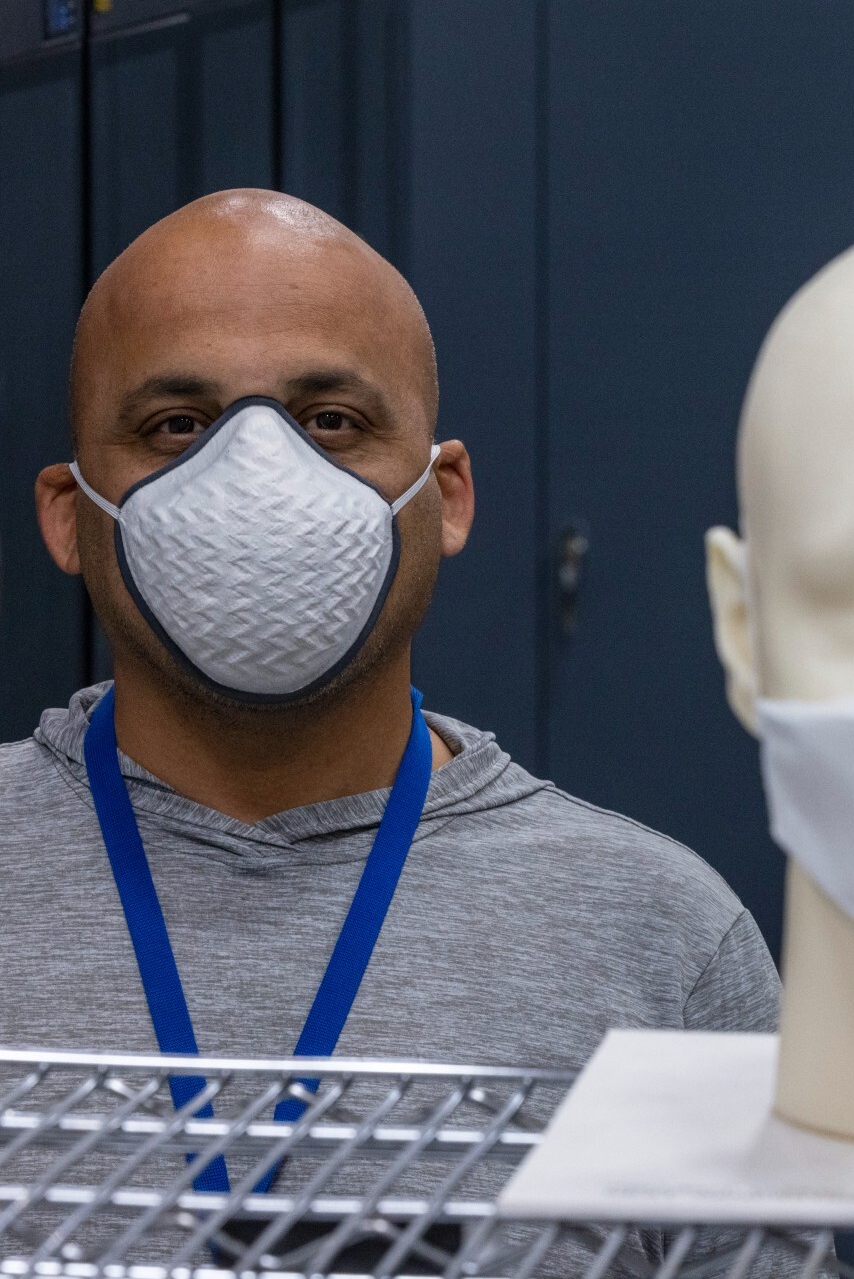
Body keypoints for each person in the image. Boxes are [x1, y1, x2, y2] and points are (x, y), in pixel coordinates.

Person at [7, 189, 779, 1074]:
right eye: (177, 426)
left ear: (445, 497)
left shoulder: (666, 941)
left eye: (332, 422)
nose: (258, 478)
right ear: (69, 515)